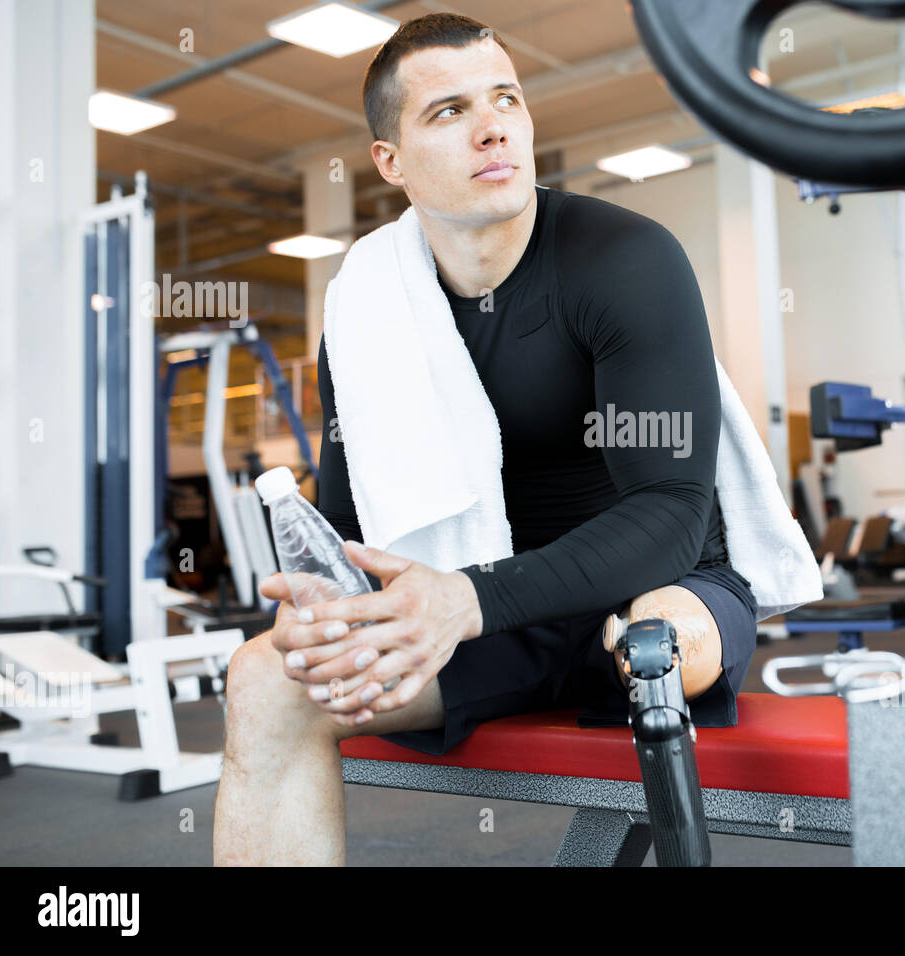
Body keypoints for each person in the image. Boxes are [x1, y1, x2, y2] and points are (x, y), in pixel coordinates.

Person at [213, 13, 759, 866]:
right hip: (491, 617)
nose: (494, 125)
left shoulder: (623, 259)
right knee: (265, 681)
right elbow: (351, 532)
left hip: (654, 585)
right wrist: (328, 611)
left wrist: (465, 600)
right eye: (449, 111)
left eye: (506, 98)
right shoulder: (365, 312)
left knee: (655, 648)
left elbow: (672, 513)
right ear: (389, 161)